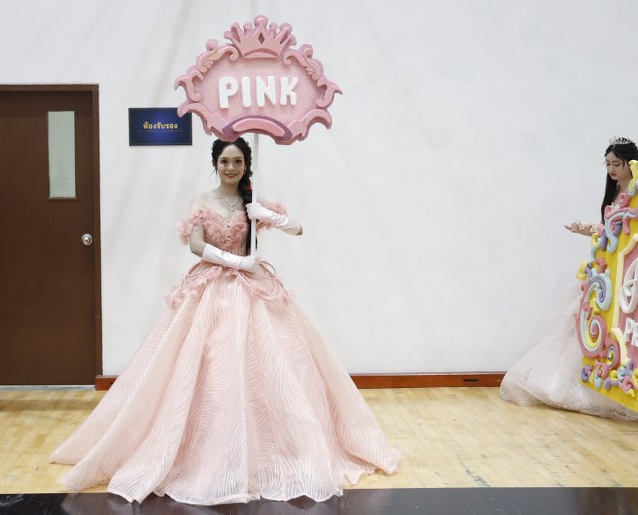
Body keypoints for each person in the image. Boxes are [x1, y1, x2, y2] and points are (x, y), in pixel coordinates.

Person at [51, 137, 400, 505]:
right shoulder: (202, 200)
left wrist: (272, 217)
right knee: (207, 361)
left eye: (237, 162)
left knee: (273, 363)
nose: (231, 168)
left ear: (246, 165)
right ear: (215, 164)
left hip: (253, 286)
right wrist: (236, 261)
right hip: (214, 286)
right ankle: (203, 450)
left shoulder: (253, 200)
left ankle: (273, 450)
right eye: (224, 161)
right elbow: (196, 245)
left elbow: (298, 229)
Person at [499, 136, 638, 420]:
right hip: (608, 269)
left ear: (630, 163)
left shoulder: (634, 193)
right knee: (582, 320)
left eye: (616, 164)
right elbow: (612, 231)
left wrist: (595, 230)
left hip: (626, 273)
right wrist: (588, 229)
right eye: (607, 164)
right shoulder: (616, 192)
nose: (611, 169)